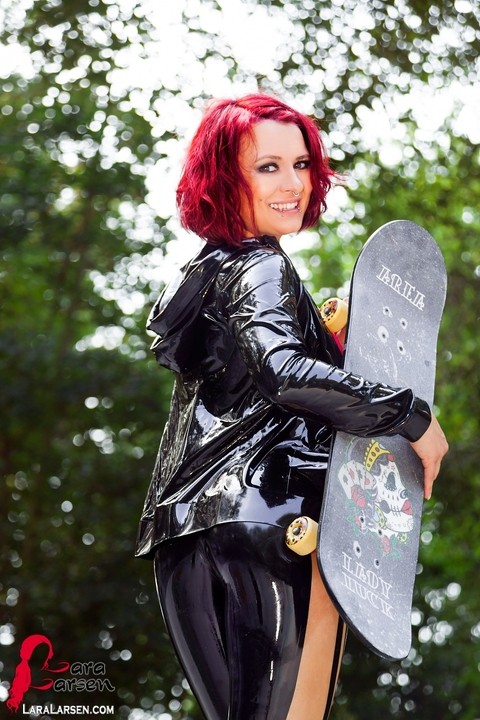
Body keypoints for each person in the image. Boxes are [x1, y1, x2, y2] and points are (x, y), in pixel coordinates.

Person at [135, 93, 448, 720]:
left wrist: (325, 339)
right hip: (274, 516)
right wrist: (412, 417)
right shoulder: (260, 267)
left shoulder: (207, 275)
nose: (294, 185)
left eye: (301, 165)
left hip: (182, 538)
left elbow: (254, 378)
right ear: (227, 177)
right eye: (267, 166)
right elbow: (283, 372)